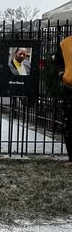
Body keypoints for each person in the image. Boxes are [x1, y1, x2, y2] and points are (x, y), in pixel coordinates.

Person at [54, 35, 72, 167]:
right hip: (70, 88)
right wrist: (61, 73)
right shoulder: (65, 43)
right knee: (69, 123)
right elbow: (58, 62)